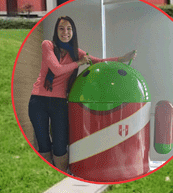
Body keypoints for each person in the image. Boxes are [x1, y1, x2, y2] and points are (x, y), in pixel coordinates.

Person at [28, 16, 136, 172]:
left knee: (60, 145)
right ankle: (48, 175)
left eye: (69, 29)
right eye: (61, 28)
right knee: (43, 143)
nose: (65, 32)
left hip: (59, 102)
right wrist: (79, 62)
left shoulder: (75, 52)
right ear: (56, 31)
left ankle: (63, 175)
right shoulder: (48, 45)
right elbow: (57, 69)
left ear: (73, 32)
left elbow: (97, 61)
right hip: (38, 100)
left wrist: (122, 59)